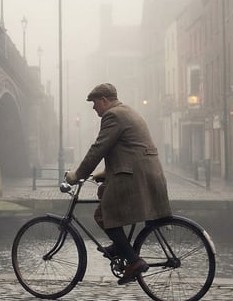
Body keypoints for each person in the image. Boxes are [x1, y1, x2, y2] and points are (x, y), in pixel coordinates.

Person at [64, 83, 172, 284]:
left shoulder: (112, 116)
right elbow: (128, 149)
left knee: (106, 215)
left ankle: (134, 261)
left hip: (134, 177)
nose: (93, 108)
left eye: (95, 103)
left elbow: (99, 149)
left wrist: (77, 174)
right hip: (146, 173)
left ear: (104, 100)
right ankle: (121, 247)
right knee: (104, 212)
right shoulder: (128, 111)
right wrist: (104, 173)